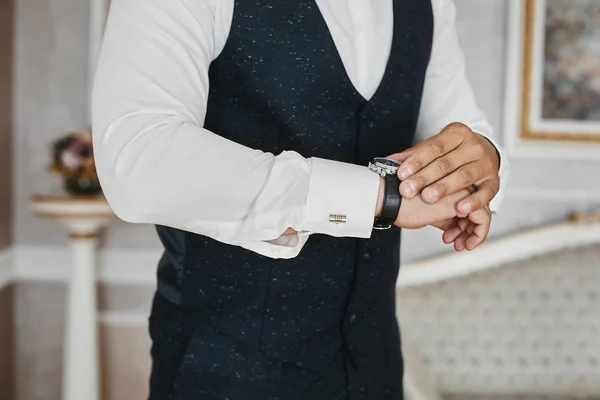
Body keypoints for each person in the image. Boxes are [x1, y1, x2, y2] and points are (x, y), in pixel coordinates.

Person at [92, 0, 509, 398]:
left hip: (374, 363)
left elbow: (460, 130)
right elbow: (139, 160)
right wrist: (376, 197)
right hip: (223, 365)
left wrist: (483, 158)